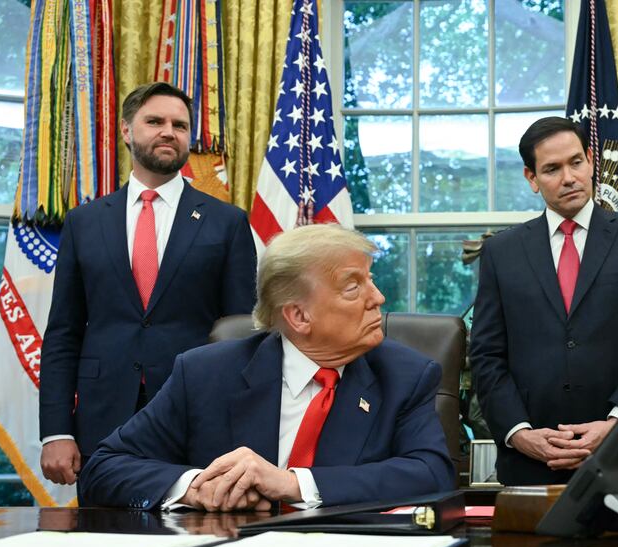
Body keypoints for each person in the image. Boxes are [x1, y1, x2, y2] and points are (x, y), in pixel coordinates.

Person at [78, 225, 455, 511]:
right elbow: (104, 468)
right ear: (298, 316)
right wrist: (195, 486)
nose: (378, 298)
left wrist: (292, 484)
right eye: (353, 287)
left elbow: (432, 474)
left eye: (369, 279)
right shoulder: (206, 374)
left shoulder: (404, 375)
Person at [39, 82, 257, 486]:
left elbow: (241, 337)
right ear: (127, 130)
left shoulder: (227, 223)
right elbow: (63, 334)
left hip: (198, 418)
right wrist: (56, 430)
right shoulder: (84, 222)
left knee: (196, 537)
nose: (168, 132)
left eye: (180, 124)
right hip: (101, 420)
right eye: (154, 121)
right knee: (102, 542)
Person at [470, 116, 618, 486]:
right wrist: (519, 433)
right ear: (531, 179)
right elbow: (487, 356)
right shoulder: (502, 252)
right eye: (552, 169)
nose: (569, 177)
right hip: (530, 463)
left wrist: (617, 421)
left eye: (576, 162)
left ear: (591, 160)